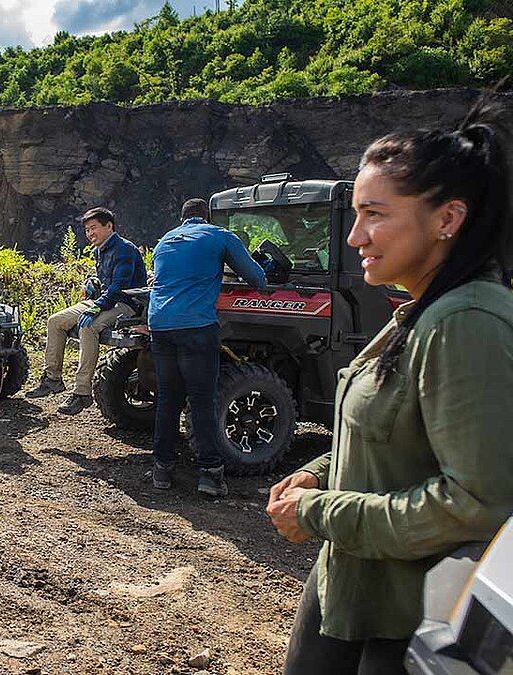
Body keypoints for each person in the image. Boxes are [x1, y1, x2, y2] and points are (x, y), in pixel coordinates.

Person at [267, 104, 513, 674]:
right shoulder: (420, 309)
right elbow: (393, 434)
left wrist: (322, 511)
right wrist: (318, 472)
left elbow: (478, 504)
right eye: (355, 214)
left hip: (416, 620)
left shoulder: (466, 322)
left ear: (447, 218)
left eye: (373, 214)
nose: (355, 236)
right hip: (356, 591)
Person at [148, 198, 266, 497]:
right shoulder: (220, 236)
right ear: (208, 217)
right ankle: (210, 474)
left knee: (168, 398)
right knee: (202, 400)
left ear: (182, 218)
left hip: (160, 324)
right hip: (196, 326)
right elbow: (255, 278)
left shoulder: (164, 241)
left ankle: (162, 469)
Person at [26, 207, 147, 414]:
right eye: (87, 230)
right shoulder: (99, 249)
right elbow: (106, 283)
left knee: (88, 326)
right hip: (104, 300)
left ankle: (82, 393)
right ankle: (52, 379)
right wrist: (94, 283)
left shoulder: (124, 249)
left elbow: (120, 288)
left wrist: (96, 307)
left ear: (109, 226)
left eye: (94, 228)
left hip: (126, 304)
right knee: (56, 321)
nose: (90, 234)